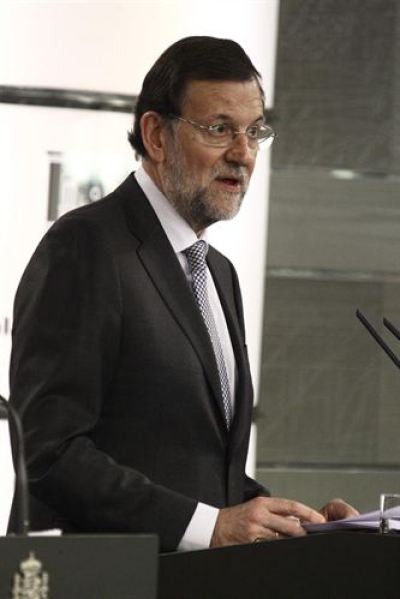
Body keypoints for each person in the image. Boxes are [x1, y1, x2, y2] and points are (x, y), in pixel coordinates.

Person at [8, 36, 357, 551]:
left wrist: (299, 524)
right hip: (103, 576)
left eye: (254, 131)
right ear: (156, 135)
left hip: (194, 580)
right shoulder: (86, 246)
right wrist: (207, 528)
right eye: (219, 129)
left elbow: (201, 471)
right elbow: (47, 452)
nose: (243, 154)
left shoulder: (219, 273)